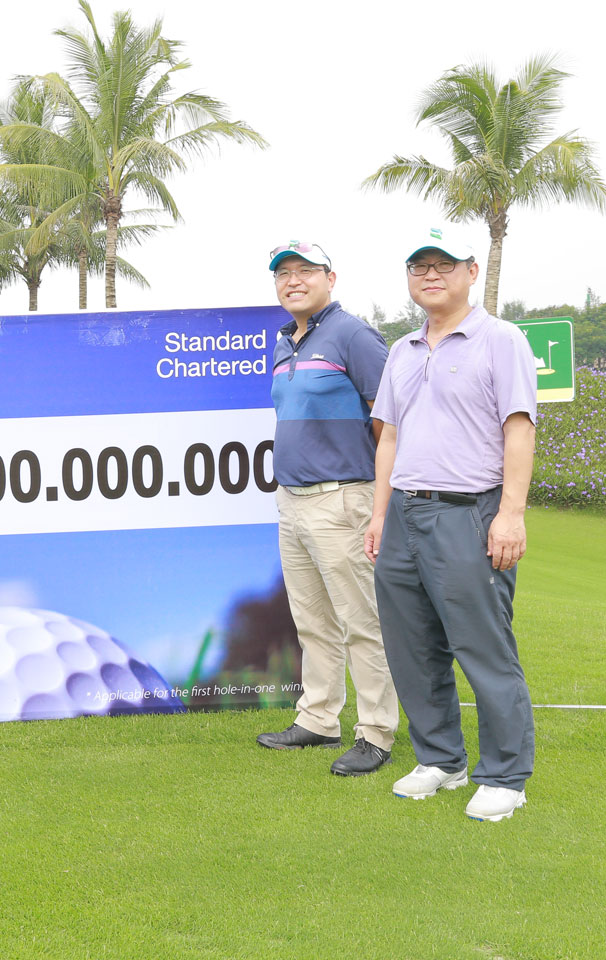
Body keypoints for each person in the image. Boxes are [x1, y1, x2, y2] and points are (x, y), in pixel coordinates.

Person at [364, 226, 538, 822]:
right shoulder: (401, 350)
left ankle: (506, 775)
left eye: (444, 264)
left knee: (482, 646)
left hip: (470, 512)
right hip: (404, 513)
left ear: (470, 271)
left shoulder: (501, 339)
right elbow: (388, 437)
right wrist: (379, 515)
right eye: (420, 266)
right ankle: (441, 760)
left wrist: (510, 514)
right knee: (411, 646)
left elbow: (519, 428)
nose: (431, 275)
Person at [257, 241, 398, 776]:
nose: (293, 281)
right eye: (283, 274)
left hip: (343, 499)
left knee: (362, 622)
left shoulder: (353, 335)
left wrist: (380, 504)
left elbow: (392, 421)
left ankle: (376, 731)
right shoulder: (285, 343)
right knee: (312, 620)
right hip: (292, 501)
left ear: (330, 278)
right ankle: (318, 717)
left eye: (305, 271)